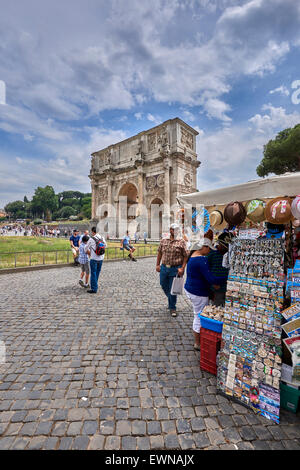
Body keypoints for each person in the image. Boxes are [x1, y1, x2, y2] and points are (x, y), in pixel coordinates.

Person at [184, 238, 226, 351]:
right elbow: (210, 278)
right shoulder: (201, 259)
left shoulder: (193, 256)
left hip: (191, 289)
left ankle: (199, 340)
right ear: (204, 247)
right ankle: (197, 343)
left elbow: (202, 276)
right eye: (209, 249)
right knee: (198, 316)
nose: (210, 251)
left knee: (197, 314)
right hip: (198, 292)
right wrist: (227, 278)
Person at [156, 223, 188, 317]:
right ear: (170, 230)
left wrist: (182, 268)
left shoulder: (181, 242)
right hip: (164, 267)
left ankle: (172, 307)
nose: (176, 231)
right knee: (163, 284)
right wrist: (157, 264)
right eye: (174, 229)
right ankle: (171, 299)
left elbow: (186, 256)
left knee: (173, 289)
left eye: (177, 230)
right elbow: (159, 253)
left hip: (175, 269)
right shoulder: (163, 241)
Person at [207, 232, 232, 307]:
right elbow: (207, 270)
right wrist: (212, 283)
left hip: (229, 287)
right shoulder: (213, 253)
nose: (219, 246)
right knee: (216, 306)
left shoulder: (231, 255)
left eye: (221, 245)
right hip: (216, 287)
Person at [84, 226, 106, 294]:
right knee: (97, 272)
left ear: (93, 232)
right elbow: (105, 246)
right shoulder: (102, 238)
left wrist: (89, 252)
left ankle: (94, 288)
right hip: (101, 258)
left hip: (94, 258)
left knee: (93, 273)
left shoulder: (91, 239)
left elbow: (85, 248)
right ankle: (95, 285)